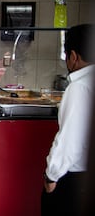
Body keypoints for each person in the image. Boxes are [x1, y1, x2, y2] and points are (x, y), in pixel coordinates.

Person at [41, 24, 95, 216]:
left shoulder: (79, 87)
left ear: (73, 56)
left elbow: (69, 141)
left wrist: (50, 176)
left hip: (75, 180)